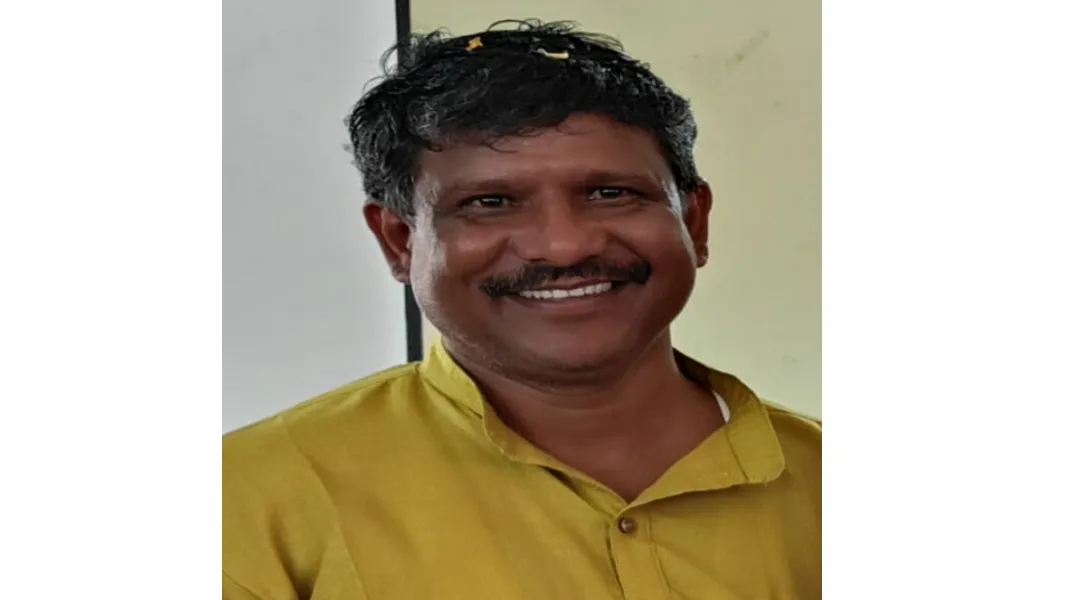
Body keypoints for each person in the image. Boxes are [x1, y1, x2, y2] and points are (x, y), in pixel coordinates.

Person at [223, 19, 821, 600]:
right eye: (491, 202)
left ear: (694, 221)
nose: (565, 246)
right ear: (400, 241)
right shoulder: (245, 502)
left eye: (610, 193)